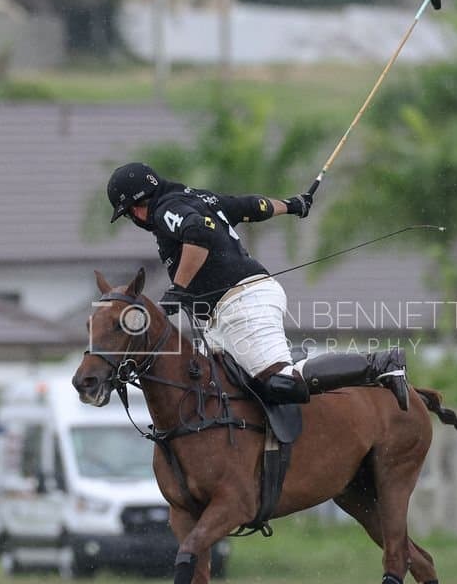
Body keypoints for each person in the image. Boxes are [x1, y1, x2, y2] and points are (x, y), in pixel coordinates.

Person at [106, 161, 409, 410]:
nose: (135, 218)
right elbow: (250, 206)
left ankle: (380, 363)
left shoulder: (163, 210)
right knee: (215, 393)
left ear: (137, 205)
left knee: (281, 382)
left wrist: (179, 289)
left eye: (131, 212)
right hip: (221, 317)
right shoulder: (196, 197)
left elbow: (198, 233)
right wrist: (292, 205)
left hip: (243, 302)